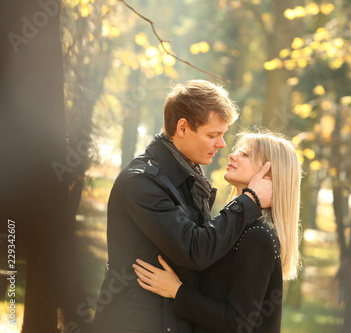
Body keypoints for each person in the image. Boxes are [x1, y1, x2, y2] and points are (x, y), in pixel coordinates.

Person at [92, 80, 272, 333]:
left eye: (222, 134)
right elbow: (194, 251)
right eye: (212, 135)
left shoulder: (189, 180)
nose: (221, 144)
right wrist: (249, 200)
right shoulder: (143, 182)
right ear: (183, 127)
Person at [133, 130, 302, 333]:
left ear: (268, 175)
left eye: (246, 154)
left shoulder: (257, 235)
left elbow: (238, 322)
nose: (232, 155)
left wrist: (177, 291)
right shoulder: (237, 226)